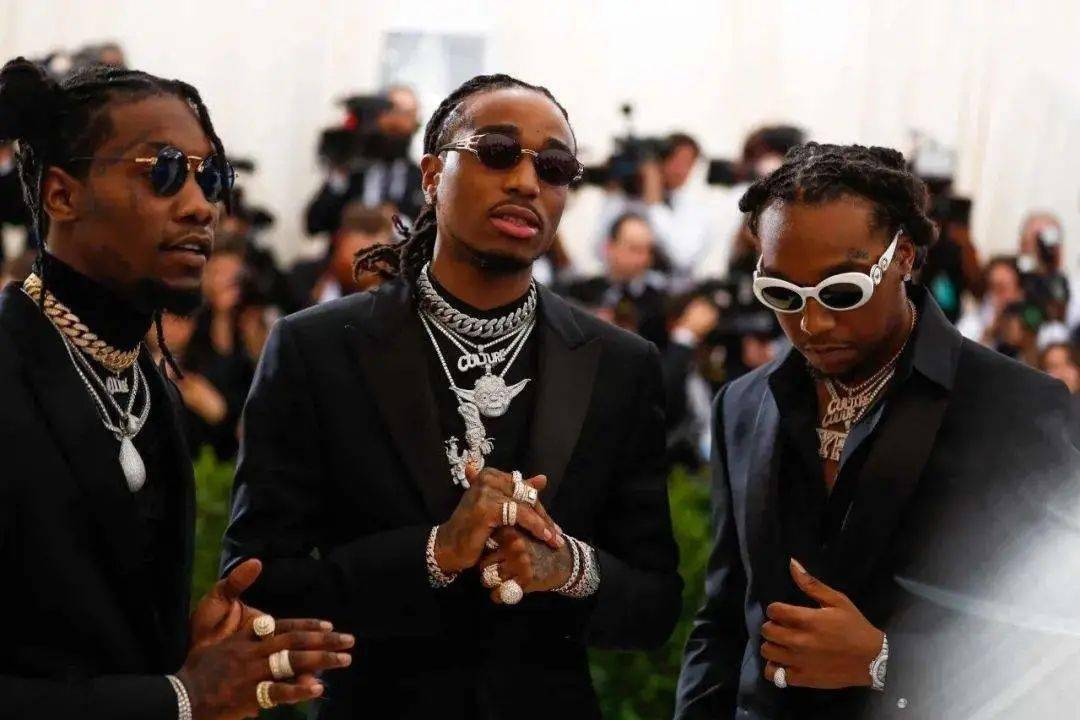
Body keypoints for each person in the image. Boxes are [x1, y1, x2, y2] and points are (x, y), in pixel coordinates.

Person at [222, 73, 682, 719]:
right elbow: (260, 581)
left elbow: (656, 606)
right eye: (497, 152)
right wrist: (433, 553)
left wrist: (570, 568)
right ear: (433, 174)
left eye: (553, 167)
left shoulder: (620, 365)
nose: (526, 182)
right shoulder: (318, 348)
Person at [0, 57, 354, 719]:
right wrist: (180, 697)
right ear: (61, 196)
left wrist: (185, 650)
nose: (200, 205)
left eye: (210, 177)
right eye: (161, 171)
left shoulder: (149, 386)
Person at [676, 143, 1080, 719]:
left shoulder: (1018, 408)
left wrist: (886, 662)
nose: (812, 323)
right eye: (782, 295)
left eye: (843, 291)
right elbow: (722, 620)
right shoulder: (741, 405)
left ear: (904, 257)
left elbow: (1061, 638)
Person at [304, 85, 424, 237]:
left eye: (407, 114)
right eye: (392, 112)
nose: (397, 122)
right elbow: (314, 224)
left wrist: (394, 224)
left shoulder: (421, 179)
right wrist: (338, 173)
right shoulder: (352, 171)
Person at [594, 132, 713, 276]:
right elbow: (599, 252)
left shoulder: (694, 209)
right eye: (674, 160)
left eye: (687, 164)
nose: (680, 170)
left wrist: (654, 202)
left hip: (673, 287)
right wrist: (612, 192)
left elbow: (682, 257)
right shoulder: (624, 199)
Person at [561, 211, 670, 348]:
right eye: (634, 249)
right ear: (609, 247)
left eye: (648, 251)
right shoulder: (581, 290)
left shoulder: (658, 303)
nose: (643, 259)